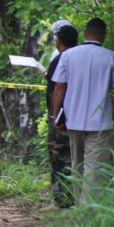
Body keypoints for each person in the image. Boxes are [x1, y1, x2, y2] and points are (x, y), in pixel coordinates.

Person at [51, 18, 114, 204]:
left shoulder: (68, 56)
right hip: (100, 122)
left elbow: (59, 87)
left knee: (76, 166)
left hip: (74, 119)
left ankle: (80, 207)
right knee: (93, 169)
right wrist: (113, 115)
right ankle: (88, 211)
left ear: (85, 33)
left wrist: (55, 115)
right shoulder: (112, 57)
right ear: (104, 35)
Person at [45, 24, 78, 208]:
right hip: (76, 116)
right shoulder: (78, 58)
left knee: (58, 158)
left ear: (58, 40)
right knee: (73, 158)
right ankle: (69, 197)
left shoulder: (61, 59)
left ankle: (61, 198)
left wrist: (54, 116)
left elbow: (56, 89)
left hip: (60, 119)